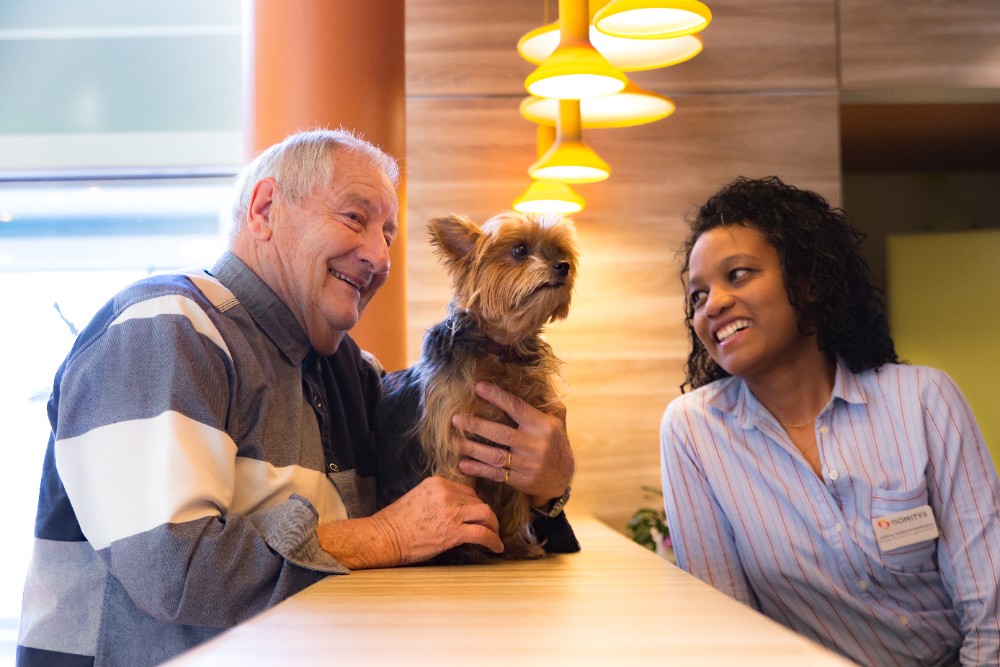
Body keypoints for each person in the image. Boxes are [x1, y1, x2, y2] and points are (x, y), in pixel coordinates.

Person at [16, 129, 576, 667]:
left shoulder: (349, 373)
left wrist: (548, 483)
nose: (380, 257)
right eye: (355, 218)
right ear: (263, 209)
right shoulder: (163, 327)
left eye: (388, 234)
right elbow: (175, 572)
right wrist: (382, 536)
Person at [659, 176, 1000, 666]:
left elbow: (990, 610)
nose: (712, 304)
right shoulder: (694, 431)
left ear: (807, 282)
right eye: (697, 295)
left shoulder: (924, 400)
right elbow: (727, 633)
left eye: (738, 275)